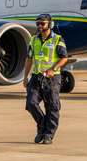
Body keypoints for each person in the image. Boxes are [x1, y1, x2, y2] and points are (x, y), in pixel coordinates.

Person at [23, 13, 68, 144]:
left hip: (52, 78)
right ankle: (42, 126)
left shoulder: (57, 39)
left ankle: (48, 134)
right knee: (31, 103)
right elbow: (29, 59)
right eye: (38, 23)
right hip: (36, 77)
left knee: (52, 106)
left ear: (50, 24)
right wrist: (25, 77)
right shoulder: (33, 40)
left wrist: (53, 70)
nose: (39, 26)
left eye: (42, 23)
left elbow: (64, 57)